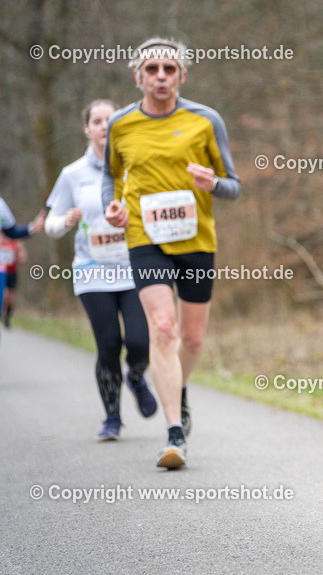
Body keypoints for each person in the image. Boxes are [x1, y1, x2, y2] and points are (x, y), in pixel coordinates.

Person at [103, 38, 241, 469]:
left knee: (193, 338)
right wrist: (113, 208)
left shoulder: (205, 120)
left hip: (196, 240)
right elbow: (111, 179)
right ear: (138, 76)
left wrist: (212, 184)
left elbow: (232, 185)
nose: (160, 76)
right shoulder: (121, 124)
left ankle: (176, 388)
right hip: (145, 238)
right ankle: (174, 434)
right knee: (163, 329)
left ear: (182, 75)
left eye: (168, 68)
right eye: (152, 69)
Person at [45, 99, 158, 440]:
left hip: (134, 266)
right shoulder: (71, 174)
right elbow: (50, 223)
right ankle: (112, 417)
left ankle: (136, 377)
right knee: (108, 345)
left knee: (140, 341)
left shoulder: (135, 165)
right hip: (93, 273)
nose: (104, 126)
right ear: (87, 129)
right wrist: (64, 221)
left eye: (110, 119)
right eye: (97, 120)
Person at [0, 199, 43, 348]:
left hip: (4, 271)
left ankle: (7, 318)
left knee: (8, 297)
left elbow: (11, 232)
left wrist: (32, 228)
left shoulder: (1, 206)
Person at [0, 238, 25, 327]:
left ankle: (7, 318)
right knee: (4, 294)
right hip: (2, 272)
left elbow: (23, 258)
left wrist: (19, 252)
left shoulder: (15, 242)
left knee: (10, 297)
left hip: (12, 273)